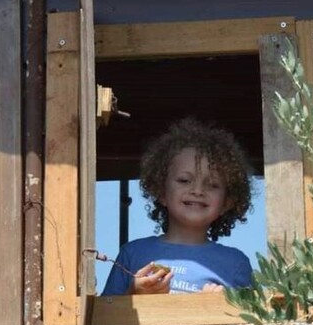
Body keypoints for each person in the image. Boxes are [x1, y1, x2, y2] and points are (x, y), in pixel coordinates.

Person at [101, 117, 254, 295]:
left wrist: (219, 307)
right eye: (184, 180)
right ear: (161, 192)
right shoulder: (133, 253)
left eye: (212, 185)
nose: (197, 190)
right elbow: (104, 318)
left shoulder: (235, 263)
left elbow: (254, 320)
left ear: (227, 203)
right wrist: (134, 295)